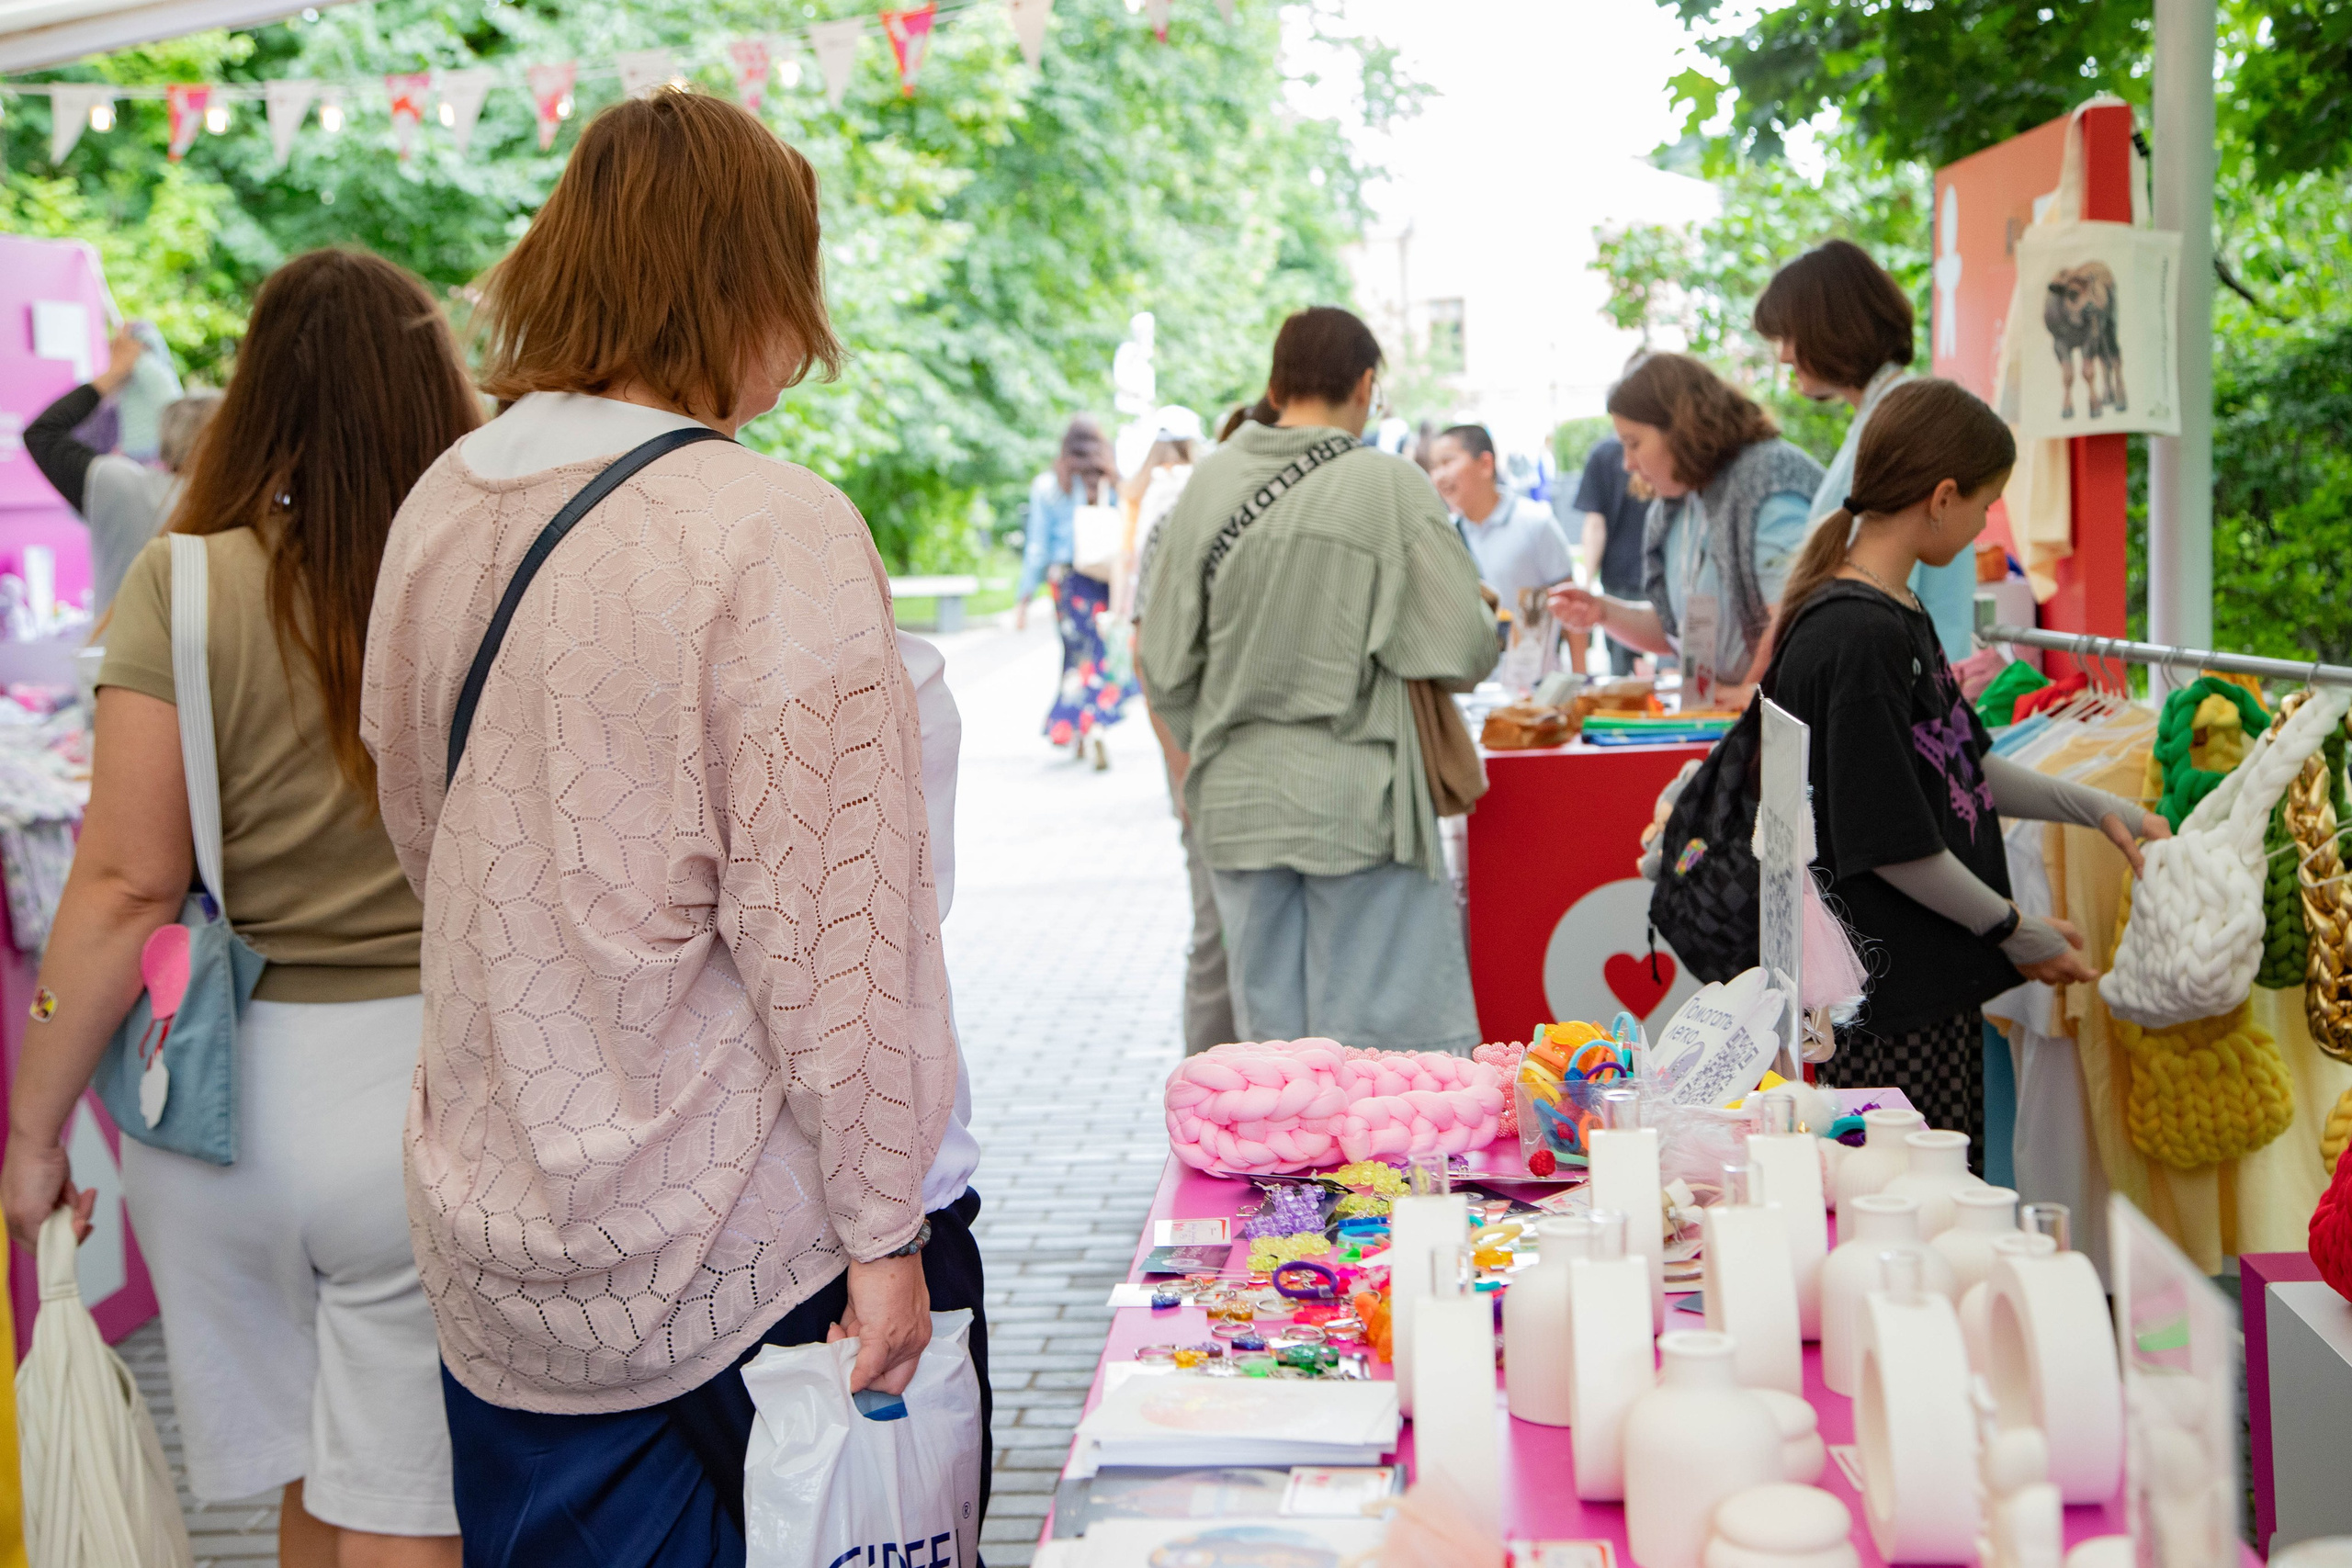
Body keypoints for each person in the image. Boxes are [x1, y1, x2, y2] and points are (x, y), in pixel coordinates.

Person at [359, 92, 976, 1565]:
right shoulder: (769, 525)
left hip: (496, 1233)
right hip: (747, 1253)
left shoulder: (440, 501)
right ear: (749, 282)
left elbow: (420, 830)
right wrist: (887, 1233)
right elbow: (839, 937)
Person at [0, 248, 477, 1566]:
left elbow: (125, 880)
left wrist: (35, 1129)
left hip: (217, 1116)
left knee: (311, 1477)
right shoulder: (487, 574)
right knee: (405, 1492)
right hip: (426, 1092)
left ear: (259, 389)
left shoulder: (186, 577)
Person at [1768, 378, 2169, 1156]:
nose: (1988, 523)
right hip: (1881, 1008)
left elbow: (1966, 761)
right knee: (1906, 1216)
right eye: (1986, 503)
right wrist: (2014, 930)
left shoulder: (1895, 612)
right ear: (1942, 496)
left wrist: (2096, 808)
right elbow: (1888, 842)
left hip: (1920, 989)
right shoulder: (1857, 637)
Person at [1137, 306, 1498, 1055]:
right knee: (1377, 1056)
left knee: (1273, 1057)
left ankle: (1281, 1177)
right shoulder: (1390, 487)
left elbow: (1165, 665)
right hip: (1360, 803)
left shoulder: (1204, 487)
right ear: (1366, 385)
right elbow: (1463, 647)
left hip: (1238, 803)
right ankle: (1371, 1183)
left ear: (1276, 381)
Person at [1547, 355, 1823, 708]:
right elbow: (1676, 631)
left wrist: (1753, 695)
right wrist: (1602, 612)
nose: (1627, 464)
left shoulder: (1766, 478)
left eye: (1634, 443)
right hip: (1723, 716)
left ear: (1681, 429)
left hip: (1779, 722)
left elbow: (1793, 613)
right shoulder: (1678, 503)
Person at [1754, 238, 1978, 663]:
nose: (1783, 356)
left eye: (1789, 336)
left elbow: (1881, 578)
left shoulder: (1904, 417)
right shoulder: (1877, 414)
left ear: (1831, 325)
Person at [1128, 422, 1234, 1057]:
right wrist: (1180, 767)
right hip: (1206, 769)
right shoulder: (1183, 523)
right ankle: (1211, 1095)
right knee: (1217, 938)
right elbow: (1148, 653)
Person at [23, 326, 222, 615]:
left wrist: (114, 374)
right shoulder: (246, 500)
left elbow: (43, 434)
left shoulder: (125, 487)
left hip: (119, 650)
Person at [1018, 416, 1135, 768]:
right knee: (1100, 648)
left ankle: (1085, 725)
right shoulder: (1112, 482)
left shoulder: (1051, 485)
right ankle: (1092, 724)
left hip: (1067, 581)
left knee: (1075, 652)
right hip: (1104, 576)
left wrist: (1024, 597)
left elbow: (1037, 546)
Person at [1427, 423, 1575, 610]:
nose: (1438, 476)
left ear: (1486, 464)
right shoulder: (1446, 534)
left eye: (1447, 462)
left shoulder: (1534, 522)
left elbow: (1570, 601)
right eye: (1433, 467)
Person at [1569, 432, 1655, 676]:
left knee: (1625, 670)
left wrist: (1587, 580)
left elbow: (1595, 525)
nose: (1630, 462)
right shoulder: (1605, 454)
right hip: (1631, 576)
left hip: (1627, 575)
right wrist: (1586, 584)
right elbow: (1594, 524)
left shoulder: (1602, 453)